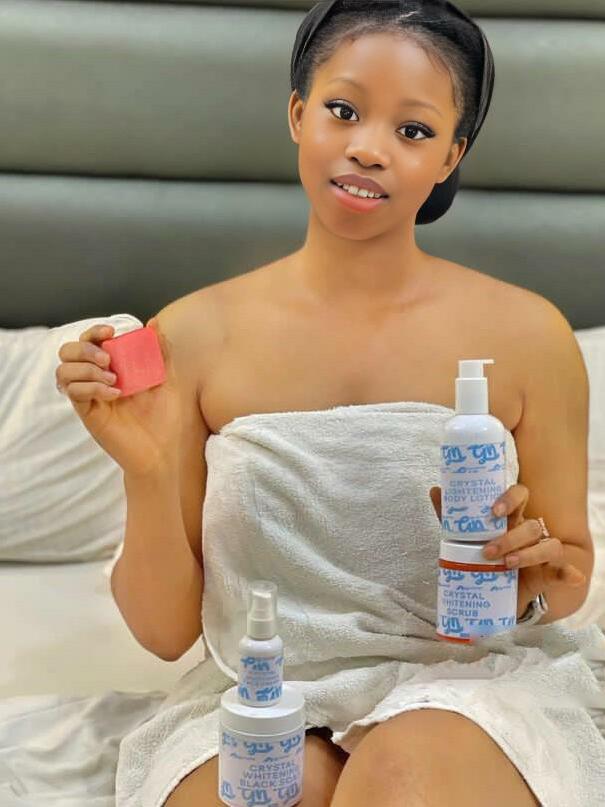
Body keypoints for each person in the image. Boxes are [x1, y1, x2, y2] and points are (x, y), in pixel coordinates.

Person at [56, 2, 605, 805]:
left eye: (412, 130)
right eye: (343, 110)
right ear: (297, 113)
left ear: (450, 155)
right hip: (258, 688)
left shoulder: (528, 336)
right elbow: (165, 632)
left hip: (468, 686)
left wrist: (525, 576)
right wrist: (145, 469)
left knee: (403, 773)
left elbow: (566, 576)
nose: (368, 147)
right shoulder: (193, 335)